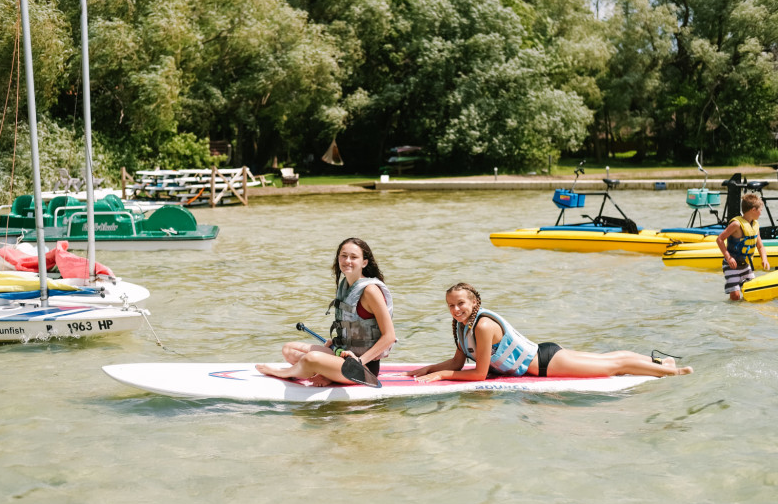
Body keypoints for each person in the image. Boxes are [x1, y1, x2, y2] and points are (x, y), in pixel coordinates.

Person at [406, 283, 693, 382]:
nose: (456, 309)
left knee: (614, 367)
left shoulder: (482, 325)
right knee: (610, 357)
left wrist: (442, 376)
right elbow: (458, 363)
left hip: (544, 363)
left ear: (475, 303)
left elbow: (479, 374)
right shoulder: (461, 326)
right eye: (451, 306)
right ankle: (660, 363)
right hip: (543, 355)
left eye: (461, 304)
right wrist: (426, 369)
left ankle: (672, 373)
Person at [256, 238, 397, 386]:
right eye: (343, 255)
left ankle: (286, 373)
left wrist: (359, 360)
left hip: (361, 367)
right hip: (342, 355)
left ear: (364, 262)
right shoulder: (346, 286)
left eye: (354, 257)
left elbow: (390, 336)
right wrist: (337, 342)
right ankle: (326, 373)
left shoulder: (370, 291)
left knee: (311, 359)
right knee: (289, 349)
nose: (347, 260)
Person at [715, 193, 770, 300]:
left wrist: (764, 259)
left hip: (745, 265)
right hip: (731, 265)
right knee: (735, 296)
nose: (761, 213)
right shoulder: (736, 224)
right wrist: (728, 257)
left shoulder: (755, 225)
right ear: (753, 210)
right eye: (760, 210)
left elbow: (760, 246)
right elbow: (719, 239)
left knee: (752, 293)